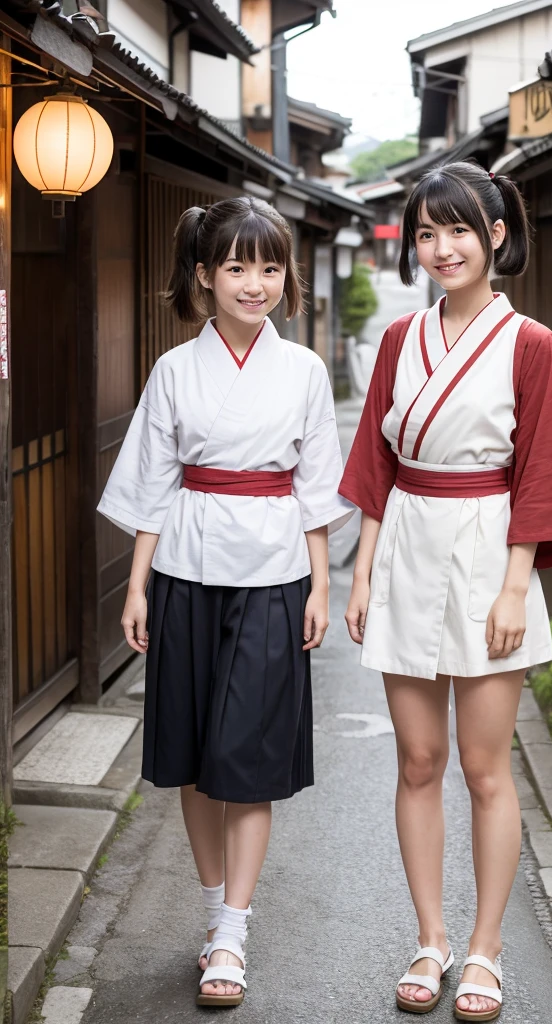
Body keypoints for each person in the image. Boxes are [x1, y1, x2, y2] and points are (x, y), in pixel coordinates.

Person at [339, 161, 552, 1021]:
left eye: (457, 231)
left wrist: (518, 587)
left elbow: (544, 472)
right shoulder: (401, 342)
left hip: (488, 549)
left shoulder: (531, 344)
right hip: (405, 540)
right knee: (417, 761)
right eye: (426, 233)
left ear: (497, 237)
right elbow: (375, 459)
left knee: (485, 768)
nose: (441, 249)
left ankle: (485, 949)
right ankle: (430, 937)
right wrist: (362, 570)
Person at [97, 196, 353, 1007]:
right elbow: (152, 483)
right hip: (186, 570)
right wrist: (137, 586)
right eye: (237, 267)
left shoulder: (305, 370)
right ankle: (214, 913)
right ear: (203, 276)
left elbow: (317, 490)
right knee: (192, 761)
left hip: (276, 575)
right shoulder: (175, 370)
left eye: (270, 267)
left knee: (246, 763)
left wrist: (322, 585)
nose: (255, 283)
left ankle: (233, 934)